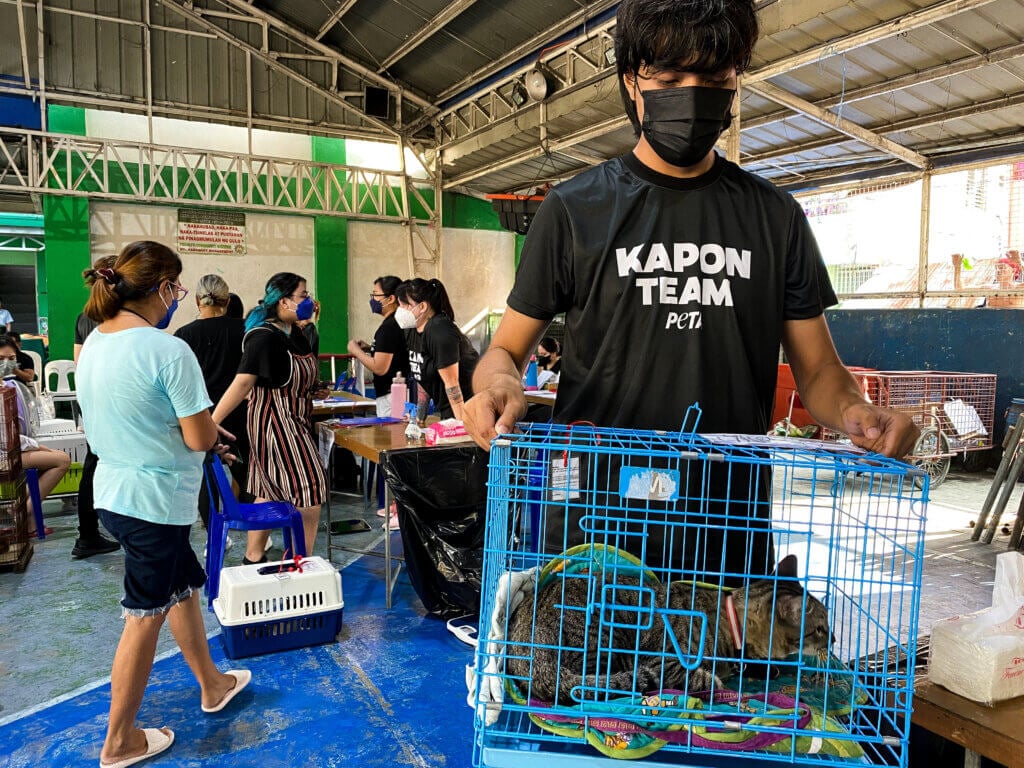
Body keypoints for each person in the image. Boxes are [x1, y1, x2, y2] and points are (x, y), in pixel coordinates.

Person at [463, 0, 918, 584]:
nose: (692, 93)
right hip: (597, 528)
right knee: (591, 669)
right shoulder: (575, 209)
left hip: (725, 522)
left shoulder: (774, 217)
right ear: (632, 80)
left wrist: (858, 411)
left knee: (720, 674)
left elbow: (820, 373)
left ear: (734, 83)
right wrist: (499, 387)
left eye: (712, 78)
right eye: (671, 78)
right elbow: (505, 351)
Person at [76, 241, 250, 768]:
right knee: (142, 616)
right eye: (175, 287)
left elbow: (135, 415)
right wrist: (208, 433)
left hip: (115, 493)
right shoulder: (167, 349)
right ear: (158, 289)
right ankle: (120, 739)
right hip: (153, 501)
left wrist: (195, 430)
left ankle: (213, 684)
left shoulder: (94, 346)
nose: (177, 297)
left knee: (183, 589)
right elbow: (197, 437)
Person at [212, 273, 327, 564]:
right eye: (303, 296)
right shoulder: (263, 337)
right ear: (284, 300)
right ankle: (301, 560)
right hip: (276, 422)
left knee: (268, 488)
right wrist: (212, 421)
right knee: (310, 488)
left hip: (296, 417)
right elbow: (242, 384)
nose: (309, 301)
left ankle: (253, 557)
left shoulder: (295, 333)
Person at [174, 274, 251, 532]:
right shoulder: (243, 331)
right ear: (227, 301)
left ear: (197, 300)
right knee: (246, 473)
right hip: (239, 413)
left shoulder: (183, 336)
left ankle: (214, 536)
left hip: (201, 416)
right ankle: (255, 533)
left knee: (206, 476)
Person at [1, 335, 70, 535]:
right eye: (1, 359)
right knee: (62, 460)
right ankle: (21, 510)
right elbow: (6, 438)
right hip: (6, 453)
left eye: (11, 358)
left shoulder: (9, 387)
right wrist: (37, 447)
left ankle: (28, 519)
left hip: (14, 449)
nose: (6, 364)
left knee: (46, 461)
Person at [395, 278, 479, 421]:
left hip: (473, 409)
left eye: (405, 305)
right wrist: (419, 417)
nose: (400, 310)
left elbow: (452, 383)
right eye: (399, 305)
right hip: (448, 410)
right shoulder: (411, 330)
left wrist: (462, 424)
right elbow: (422, 375)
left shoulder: (439, 330)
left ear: (422, 307)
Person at [346, 275, 410, 416]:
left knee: (393, 434)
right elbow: (394, 352)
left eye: (376, 295)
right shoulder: (398, 323)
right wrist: (371, 348)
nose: (372, 299)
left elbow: (380, 368)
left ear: (391, 298)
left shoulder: (389, 327)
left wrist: (356, 351)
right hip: (396, 393)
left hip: (392, 396)